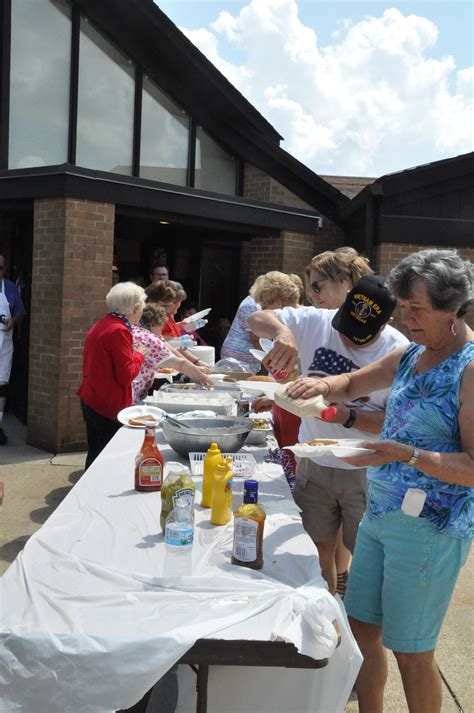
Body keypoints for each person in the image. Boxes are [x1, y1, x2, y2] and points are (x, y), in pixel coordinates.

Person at [285, 249, 473, 713]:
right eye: (402, 307)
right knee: (361, 628)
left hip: (430, 528)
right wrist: (322, 386)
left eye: (417, 310)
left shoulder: (469, 368)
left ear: (454, 308)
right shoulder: (411, 355)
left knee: (411, 650)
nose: (406, 318)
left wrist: (409, 454)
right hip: (382, 513)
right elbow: (351, 383)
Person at [248, 274, 409, 595]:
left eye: (360, 336)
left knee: (363, 553)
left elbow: (392, 422)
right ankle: (324, 607)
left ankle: (352, 613)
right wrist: (282, 333)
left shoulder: (399, 352)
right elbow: (255, 317)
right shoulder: (314, 320)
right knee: (316, 546)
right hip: (315, 460)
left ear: (384, 324)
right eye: (346, 326)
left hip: (365, 469)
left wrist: (340, 414)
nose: (348, 339)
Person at [77, 282, 148, 469]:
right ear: (134, 309)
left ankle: (88, 492)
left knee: (95, 455)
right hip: (106, 405)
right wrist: (140, 353)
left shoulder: (103, 323)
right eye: (141, 308)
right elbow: (126, 375)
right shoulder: (120, 330)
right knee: (105, 461)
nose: (141, 313)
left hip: (92, 398)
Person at [221, 271, 302, 373]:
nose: (261, 310)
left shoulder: (299, 320)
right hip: (239, 360)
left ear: (278, 303)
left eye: (264, 306)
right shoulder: (252, 305)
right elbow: (255, 336)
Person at [131, 304, 212, 403]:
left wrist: (195, 366)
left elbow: (171, 350)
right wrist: (203, 377)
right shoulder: (150, 339)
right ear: (152, 325)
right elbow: (180, 364)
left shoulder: (134, 330)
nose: (162, 331)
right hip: (131, 394)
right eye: (161, 327)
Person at [145, 281, 210, 373]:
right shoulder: (154, 317)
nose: (177, 305)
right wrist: (194, 364)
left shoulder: (163, 314)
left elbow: (170, 343)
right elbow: (167, 345)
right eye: (166, 305)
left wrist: (195, 363)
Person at [0, 254, 26, 445]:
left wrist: (13, 321)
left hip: (4, 344)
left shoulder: (9, 288)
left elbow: (21, 313)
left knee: (1, 386)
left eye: (0, 268)